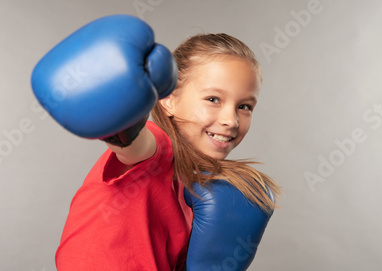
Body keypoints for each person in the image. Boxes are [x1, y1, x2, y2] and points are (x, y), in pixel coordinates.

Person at [31, 14, 280, 271]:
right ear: (168, 99)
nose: (231, 120)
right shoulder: (157, 148)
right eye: (213, 99)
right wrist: (122, 128)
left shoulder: (199, 190)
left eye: (244, 106)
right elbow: (132, 146)